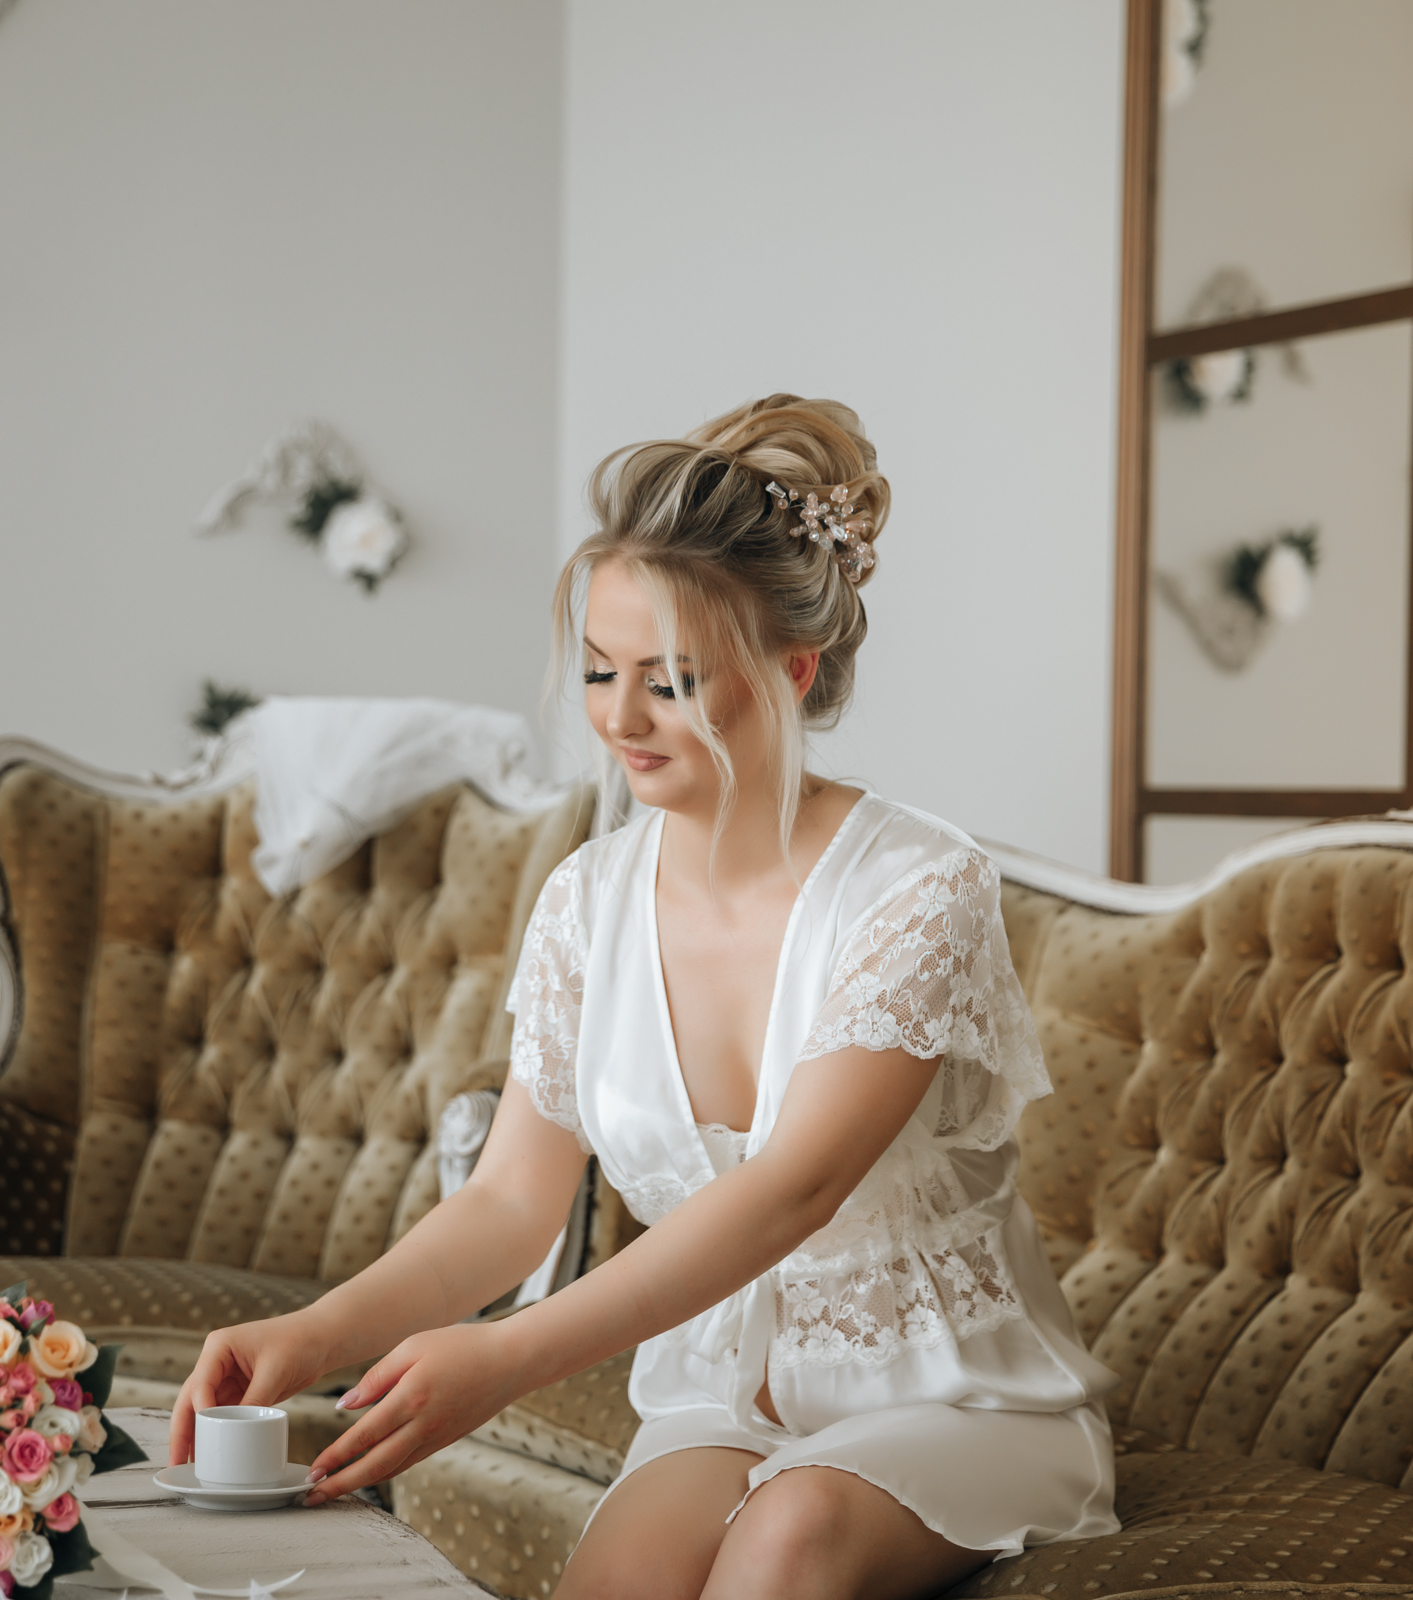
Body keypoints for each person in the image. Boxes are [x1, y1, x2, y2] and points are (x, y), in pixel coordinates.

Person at [170, 396, 1119, 1599]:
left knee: (788, 1532)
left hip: (953, 1400)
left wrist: (505, 1355)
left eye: (669, 681)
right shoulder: (586, 901)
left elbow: (793, 1190)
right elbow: (511, 1200)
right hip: (720, 1400)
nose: (618, 719)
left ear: (792, 670)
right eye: (600, 670)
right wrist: (313, 1334)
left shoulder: (920, 886)